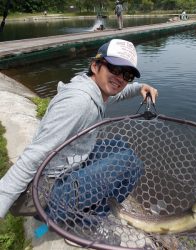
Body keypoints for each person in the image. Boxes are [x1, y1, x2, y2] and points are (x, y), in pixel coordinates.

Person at [0, 38, 158, 220]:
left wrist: (140, 88)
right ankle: (90, 221)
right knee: (130, 163)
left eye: (127, 75)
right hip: (48, 194)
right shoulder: (79, 102)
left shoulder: (94, 90)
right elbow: (35, 155)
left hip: (67, 169)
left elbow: (117, 93)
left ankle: (88, 209)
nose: (120, 78)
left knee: (120, 146)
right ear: (94, 66)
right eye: (115, 69)